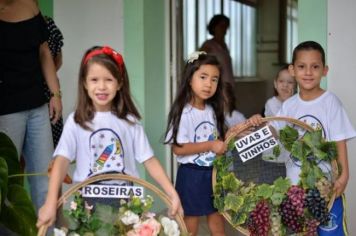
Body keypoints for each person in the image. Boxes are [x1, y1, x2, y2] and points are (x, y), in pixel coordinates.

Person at [36, 45, 182, 229]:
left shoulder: (129, 121)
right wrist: (50, 202)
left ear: (119, 83)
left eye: (109, 80)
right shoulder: (76, 121)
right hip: (88, 200)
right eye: (94, 79)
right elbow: (61, 161)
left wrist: (171, 192)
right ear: (84, 83)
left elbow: (149, 160)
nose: (102, 86)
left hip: (126, 200)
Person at [249, 41, 356, 235]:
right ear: (292, 70)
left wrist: (344, 175)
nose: (308, 72)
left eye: (315, 67)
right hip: (296, 189)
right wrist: (258, 123)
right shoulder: (289, 106)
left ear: (325, 70)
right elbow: (272, 132)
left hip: (326, 189)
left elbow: (340, 142)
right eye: (301, 66)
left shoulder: (330, 103)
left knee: (329, 232)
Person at [0, 0, 62, 212]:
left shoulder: (31, 5)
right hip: (6, 110)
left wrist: (55, 94)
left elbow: (45, 52)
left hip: (37, 106)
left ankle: (46, 231)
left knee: (45, 179)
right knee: (7, 184)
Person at [164, 51, 227, 236]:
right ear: (189, 78)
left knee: (217, 221)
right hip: (191, 176)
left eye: (214, 79)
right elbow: (178, 148)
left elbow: (218, 141)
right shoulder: (183, 112)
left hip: (213, 174)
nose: (209, 84)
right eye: (203, 77)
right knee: (190, 226)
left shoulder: (212, 110)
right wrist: (210, 145)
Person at [43, 15, 64, 147]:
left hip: (48, 95)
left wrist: (53, 91)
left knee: (52, 148)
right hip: (12, 98)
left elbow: (58, 60)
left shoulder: (47, 24)